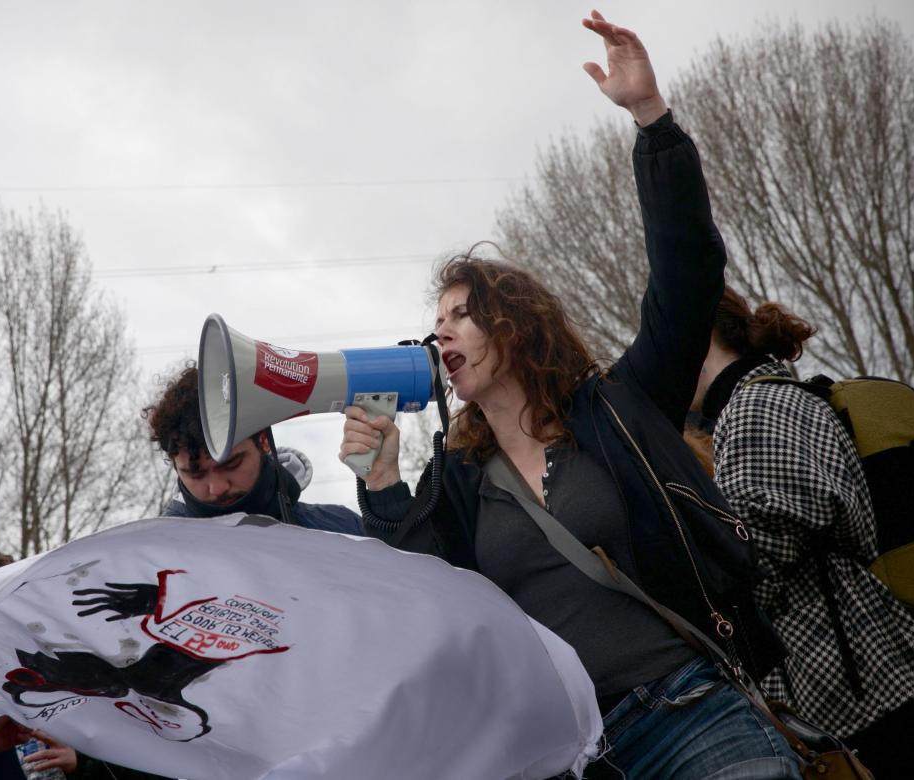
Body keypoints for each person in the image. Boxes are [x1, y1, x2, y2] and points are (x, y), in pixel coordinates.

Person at [340, 11, 798, 779]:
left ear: (515, 327)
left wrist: (653, 124)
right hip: (576, 757)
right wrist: (382, 484)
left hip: (688, 712)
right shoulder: (457, 481)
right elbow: (426, 603)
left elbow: (686, 272)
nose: (441, 335)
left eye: (460, 315)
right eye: (435, 323)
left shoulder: (619, 407)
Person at [698, 286, 914, 779]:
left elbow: (763, 544)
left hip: (855, 689)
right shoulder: (771, 399)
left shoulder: (751, 408)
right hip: (875, 672)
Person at [145, 364, 361, 533]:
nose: (217, 488)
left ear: (264, 439)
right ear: (176, 468)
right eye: (195, 473)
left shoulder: (344, 530)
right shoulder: (152, 562)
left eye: (231, 464)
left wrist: (384, 494)